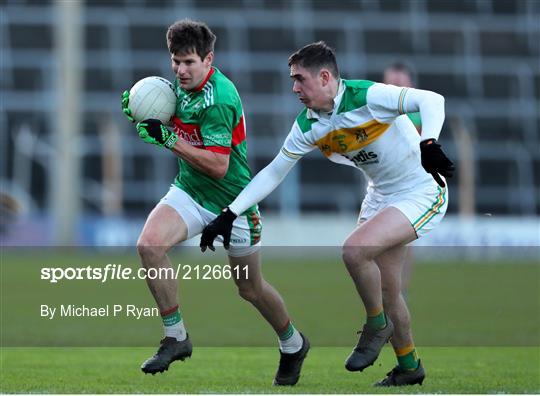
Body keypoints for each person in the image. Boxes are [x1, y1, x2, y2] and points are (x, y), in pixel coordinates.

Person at [200, 41, 454, 387]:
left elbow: (432, 99)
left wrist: (430, 143)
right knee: (388, 291)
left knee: (354, 251)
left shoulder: (368, 96)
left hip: (421, 190)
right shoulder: (309, 124)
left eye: (300, 79)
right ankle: (410, 366)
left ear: (324, 77)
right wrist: (230, 213)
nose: (294, 88)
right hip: (382, 195)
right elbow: (274, 171)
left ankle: (376, 326)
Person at [121, 19, 309, 386]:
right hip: (190, 192)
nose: (180, 70)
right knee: (149, 245)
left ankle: (293, 343)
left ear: (209, 59)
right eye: (176, 61)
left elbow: (219, 166)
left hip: (233, 205)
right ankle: (176, 337)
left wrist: (168, 140)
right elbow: (162, 118)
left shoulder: (219, 98)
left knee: (249, 289)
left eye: (189, 62)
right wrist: (140, 112)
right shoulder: (175, 87)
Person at [382, 61, 420, 295]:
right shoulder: (378, 108)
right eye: (390, 82)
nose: (393, 87)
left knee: (401, 243)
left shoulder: (416, 113)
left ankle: (397, 293)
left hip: (409, 187)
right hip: (383, 184)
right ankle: (391, 294)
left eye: (399, 82)